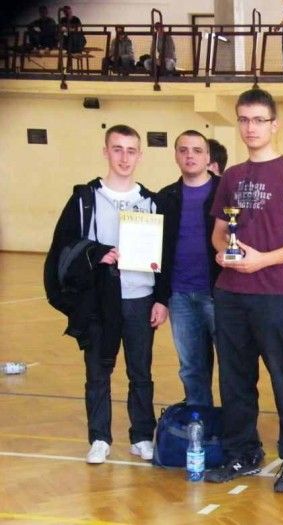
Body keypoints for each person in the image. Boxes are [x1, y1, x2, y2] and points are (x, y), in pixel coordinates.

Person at [203, 88, 283, 493]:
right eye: (243, 119)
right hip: (231, 294)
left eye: (258, 120)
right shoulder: (231, 176)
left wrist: (263, 260)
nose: (250, 127)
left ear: (274, 125)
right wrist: (226, 252)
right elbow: (219, 233)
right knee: (235, 381)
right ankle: (243, 453)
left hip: (277, 295)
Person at [44, 124, 169, 464]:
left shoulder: (151, 202)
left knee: (140, 371)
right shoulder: (84, 199)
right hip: (100, 300)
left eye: (131, 151)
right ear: (105, 152)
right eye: (117, 149)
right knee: (98, 371)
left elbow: (164, 254)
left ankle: (142, 436)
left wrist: (161, 299)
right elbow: (64, 246)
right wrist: (95, 253)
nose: (124, 158)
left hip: (141, 298)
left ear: (140, 156)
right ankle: (99, 437)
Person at [158, 130, 221, 407]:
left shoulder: (226, 192)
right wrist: (161, 297)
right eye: (183, 150)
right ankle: (200, 421)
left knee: (233, 366)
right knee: (191, 367)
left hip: (219, 295)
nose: (190, 156)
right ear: (175, 156)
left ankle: (236, 427)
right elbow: (158, 251)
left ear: (208, 157)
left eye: (197, 150)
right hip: (180, 296)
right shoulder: (165, 197)